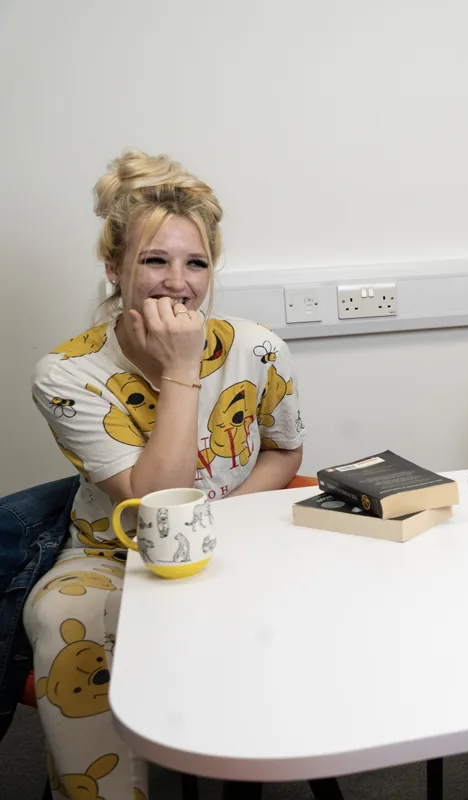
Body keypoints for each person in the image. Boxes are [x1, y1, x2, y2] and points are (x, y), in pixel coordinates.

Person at [25, 150, 306, 798]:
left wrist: (223, 521)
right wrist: (183, 370)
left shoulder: (257, 348)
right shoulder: (66, 374)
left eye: (196, 263)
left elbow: (283, 452)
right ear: (114, 268)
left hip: (236, 539)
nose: (178, 283)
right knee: (64, 625)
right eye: (155, 260)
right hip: (111, 554)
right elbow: (155, 508)